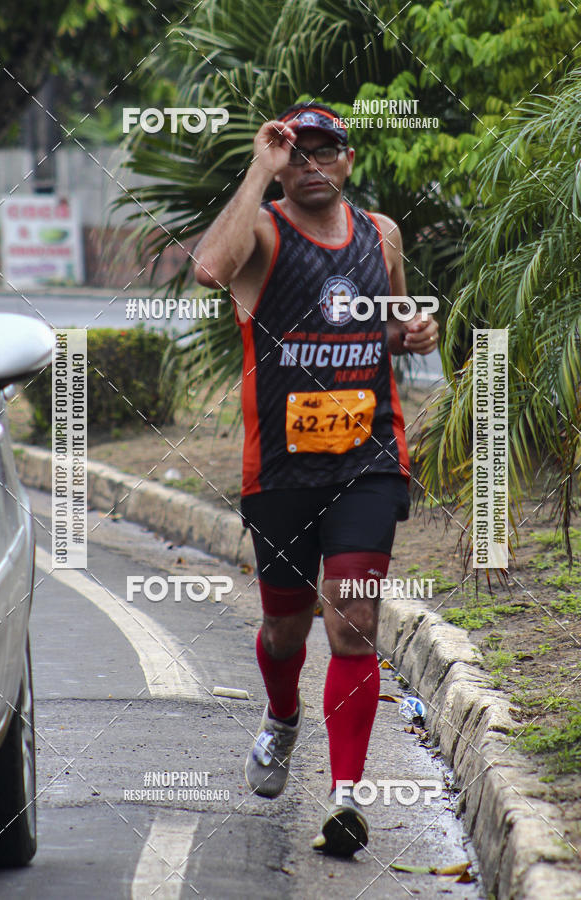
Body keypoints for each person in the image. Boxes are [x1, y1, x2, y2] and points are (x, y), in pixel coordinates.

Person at [193, 101, 439, 857]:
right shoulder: (264, 234)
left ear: (347, 160)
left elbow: (384, 325)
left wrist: (413, 331)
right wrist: (257, 170)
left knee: (354, 625)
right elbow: (208, 269)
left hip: (367, 462)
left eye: (323, 150)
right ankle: (281, 718)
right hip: (281, 473)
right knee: (285, 629)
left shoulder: (381, 234)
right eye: (295, 153)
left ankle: (347, 797)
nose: (309, 165)